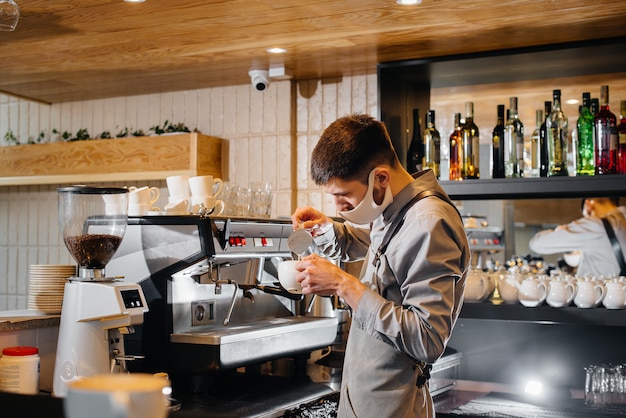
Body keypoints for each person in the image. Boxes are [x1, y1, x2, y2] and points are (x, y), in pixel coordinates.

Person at [290, 114, 470, 418]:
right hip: (367, 401)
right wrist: (324, 228)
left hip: (393, 408)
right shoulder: (396, 212)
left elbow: (428, 339)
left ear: (381, 178)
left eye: (343, 195)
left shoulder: (428, 223)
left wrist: (343, 285)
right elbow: (371, 246)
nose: (338, 207)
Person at [529, 197, 626, 278]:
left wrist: (560, 230)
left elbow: (537, 243)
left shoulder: (595, 226)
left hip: (600, 297)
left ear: (588, 204)